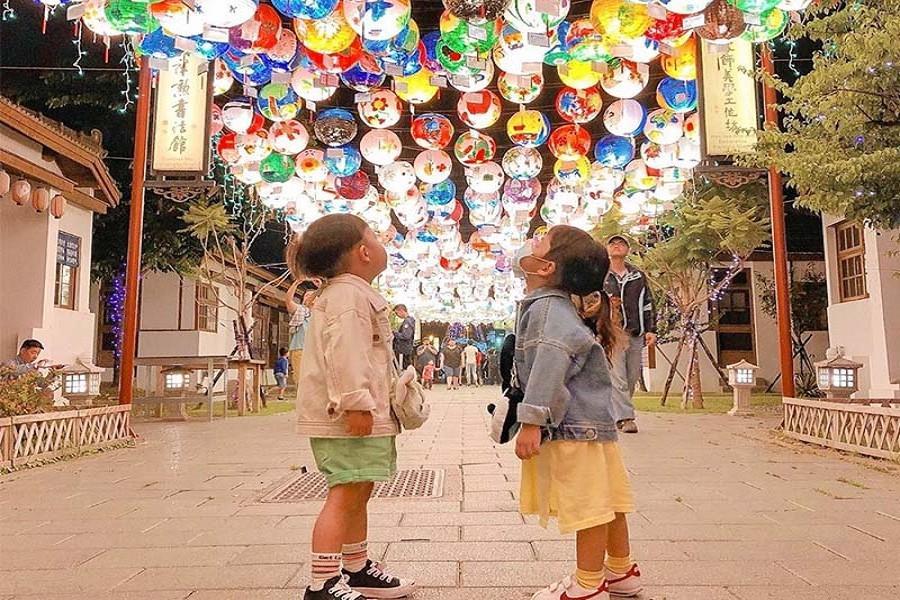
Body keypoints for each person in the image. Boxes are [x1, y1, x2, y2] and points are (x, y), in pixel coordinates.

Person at [288, 214, 415, 600]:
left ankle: (356, 569)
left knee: (360, 489)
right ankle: (322, 583)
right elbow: (347, 353)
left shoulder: (352, 293)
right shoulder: (349, 296)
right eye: (374, 236)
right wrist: (357, 403)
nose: (380, 242)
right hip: (347, 414)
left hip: (358, 412)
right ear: (363, 251)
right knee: (345, 492)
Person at [514, 225, 641, 600]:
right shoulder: (562, 305)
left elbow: (549, 364)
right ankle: (620, 571)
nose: (533, 240)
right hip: (594, 422)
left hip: (574, 426)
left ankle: (588, 585)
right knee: (609, 499)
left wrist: (531, 421)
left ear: (545, 267)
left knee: (590, 505)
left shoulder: (548, 308)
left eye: (542, 241)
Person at [603, 235, 657, 434]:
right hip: (612, 333)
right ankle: (626, 418)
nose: (617, 246)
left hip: (635, 331)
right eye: (613, 244)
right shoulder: (601, 275)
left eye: (621, 244)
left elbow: (648, 303)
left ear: (628, 250)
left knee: (632, 375)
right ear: (607, 249)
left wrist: (651, 329)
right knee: (618, 376)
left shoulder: (637, 276)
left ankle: (616, 413)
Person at [285, 279, 318, 386]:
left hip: (317, 350)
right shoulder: (300, 310)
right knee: (301, 380)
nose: (308, 297)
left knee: (316, 381)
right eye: (306, 295)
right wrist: (296, 283)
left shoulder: (321, 314)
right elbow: (288, 301)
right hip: (300, 349)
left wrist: (321, 285)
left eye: (311, 295)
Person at [392, 305, 416, 369]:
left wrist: (394, 333)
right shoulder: (409, 320)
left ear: (401, 311)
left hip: (403, 350)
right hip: (405, 350)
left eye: (397, 313)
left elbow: (406, 336)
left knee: (403, 370)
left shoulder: (408, 321)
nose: (397, 315)